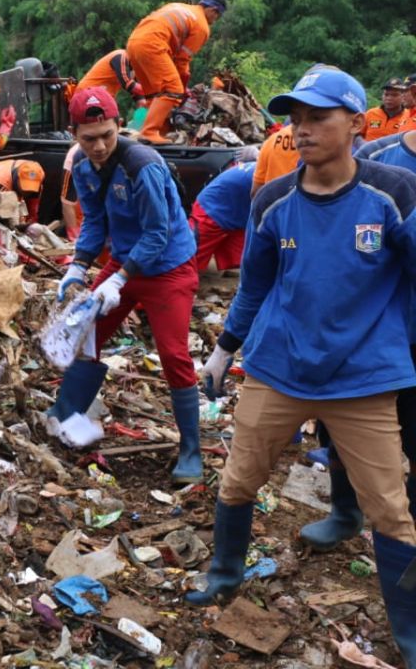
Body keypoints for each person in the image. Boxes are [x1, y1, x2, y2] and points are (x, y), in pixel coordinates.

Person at [191, 66, 416, 664]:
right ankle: (224, 573)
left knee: (391, 510)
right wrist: (223, 348)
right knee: (239, 480)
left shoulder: (394, 193)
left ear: (358, 124)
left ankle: (410, 633)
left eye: (318, 116)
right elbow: (253, 286)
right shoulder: (272, 199)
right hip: (279, 369)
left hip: (364, 377)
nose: (303, 128)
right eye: (296, 117)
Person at [49, 87, 202, 484]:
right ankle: (65, 416)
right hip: (124, 261)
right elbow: (96, 221)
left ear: (119, 126)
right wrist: (77, 267)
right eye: (89, 138)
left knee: (173, 355)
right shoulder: (82, 166)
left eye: (106, 135)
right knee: (85, 333)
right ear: (74, 134)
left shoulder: (143, 165)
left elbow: (158, 232)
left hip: (168, 266)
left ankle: (191, 449)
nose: (98, 146)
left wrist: (119, 278)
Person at [297, 128, 416, 552]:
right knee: (341, 427)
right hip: (369, 334)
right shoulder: (381, 158)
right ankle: (345, 513)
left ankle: (407, 541)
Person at [125, 0, 227, 144]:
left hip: (133, 43)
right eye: (217, 17)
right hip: (153, 45)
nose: (214, 21)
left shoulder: (180, 7)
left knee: (155, 95)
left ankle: (160, 132)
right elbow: (182, 60)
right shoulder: (202, 26)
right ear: (213, 10)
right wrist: (182, 89)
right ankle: (149, 133)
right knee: (172, 90)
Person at [191, 161, 255, 272]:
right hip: (211, 208)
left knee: (241, 259)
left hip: (237, 210)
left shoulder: (271, 168)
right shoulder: (273, 173)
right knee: (187, 260)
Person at [75, 49, 145, 105]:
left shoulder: (133, 69)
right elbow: (128, 84)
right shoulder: (120, 56)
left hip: (103, 97)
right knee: (110, 118)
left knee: (115, 118)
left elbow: (139, 98)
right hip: (87, 93)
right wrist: (152, 91)